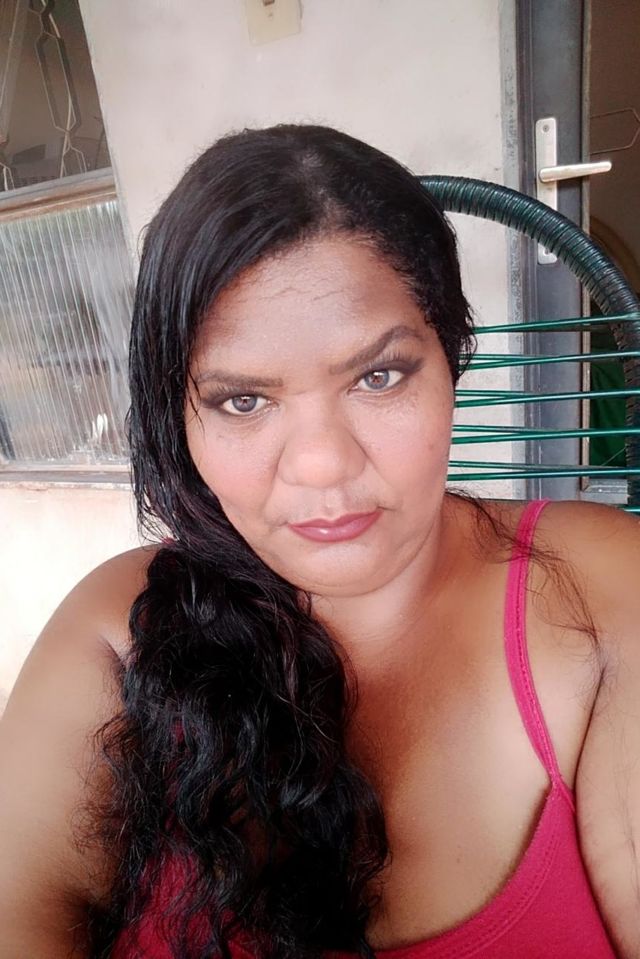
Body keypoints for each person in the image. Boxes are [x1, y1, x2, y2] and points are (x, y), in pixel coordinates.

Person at [0, 124, 637, 959]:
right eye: (242, 401)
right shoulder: (116, 634)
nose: (321, 466)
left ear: (451, 361)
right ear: (177, 414)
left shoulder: (600, 587)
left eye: (379, 375)